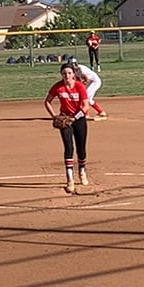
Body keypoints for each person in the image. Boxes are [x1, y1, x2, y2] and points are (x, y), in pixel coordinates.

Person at [45, 62, 94, 193]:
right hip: (65, 119)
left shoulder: (79, 86)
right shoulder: (58, 87)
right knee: (68, 147)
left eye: (69, 73)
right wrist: (54, 116)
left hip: (79, 119)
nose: (67, 75)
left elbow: (85, 106)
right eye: (64, 73)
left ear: (73, 74)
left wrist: (75, 118)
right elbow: (47, 101)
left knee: (81, 148)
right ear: (61, 74)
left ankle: (82, 171)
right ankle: (70, 179)